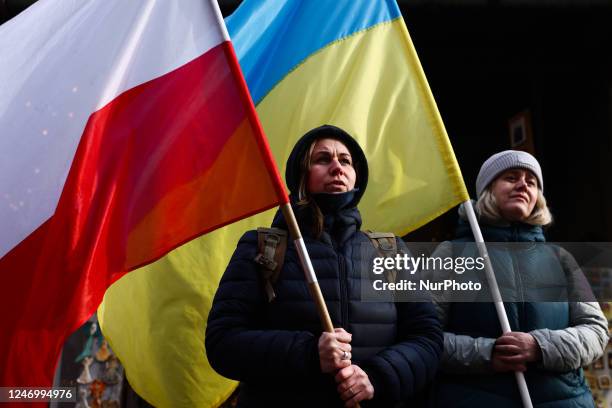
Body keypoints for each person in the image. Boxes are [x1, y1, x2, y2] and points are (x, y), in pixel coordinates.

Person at [206, 125, 442, 407]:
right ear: (301, 176)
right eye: (322, 159)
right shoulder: (262, 247)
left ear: (356, 177)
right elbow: (223, 342)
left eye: (345, 160)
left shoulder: (389, 250)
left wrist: (377, 378)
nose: (337, 168)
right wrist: (309, 352)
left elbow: (427, 337)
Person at [432, 150, 609, 407]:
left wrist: (540, 346)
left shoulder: (560, 258)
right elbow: (424, 336)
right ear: (488, 190)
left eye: (532, 181)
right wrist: (488, 353)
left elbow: (595, 331)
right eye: (511, 177)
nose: (523, 184)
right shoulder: (451, 253)